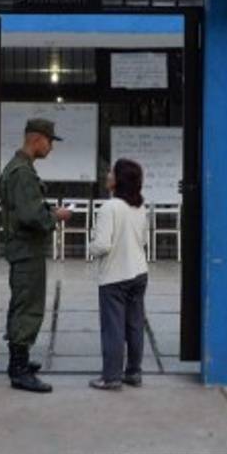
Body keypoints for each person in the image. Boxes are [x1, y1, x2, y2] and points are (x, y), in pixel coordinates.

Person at [0, 117, 71, 393]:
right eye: (50, 141)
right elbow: (30, 215)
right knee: (28, 308)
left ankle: (20, 361)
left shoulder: (20, 168)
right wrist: (56, 216)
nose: (51, 147)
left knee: (22, 303)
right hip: (26, 249)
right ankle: (19, 370)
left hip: (24, 248)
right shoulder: (22, 173)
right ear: (37, 139)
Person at [88, 158, 150, 391]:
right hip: (139, 272)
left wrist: (90, 247)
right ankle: (133, 372)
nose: (108, 175)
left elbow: (102, 245)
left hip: (115, 276)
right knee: (134, 325)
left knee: (113, 328)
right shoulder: (139, 207)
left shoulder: (109, 208)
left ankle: (111, 376)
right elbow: (143, 240)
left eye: (111, 173)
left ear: (118, 180)